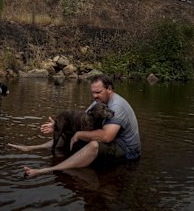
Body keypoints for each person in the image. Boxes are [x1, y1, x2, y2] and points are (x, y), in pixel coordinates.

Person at [8, 75, 141, 177]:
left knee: (93, 144)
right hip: (112, 142)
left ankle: (48, 170)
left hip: (127, 151)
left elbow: (106, 137)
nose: (95, 96)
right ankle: (30, 148)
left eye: (98, 92)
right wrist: (57, 125)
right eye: (93, 92)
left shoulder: (116, 107)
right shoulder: (99, 103)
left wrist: (79, 135)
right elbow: (84, 119)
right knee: (69, 133)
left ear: (109, 89)